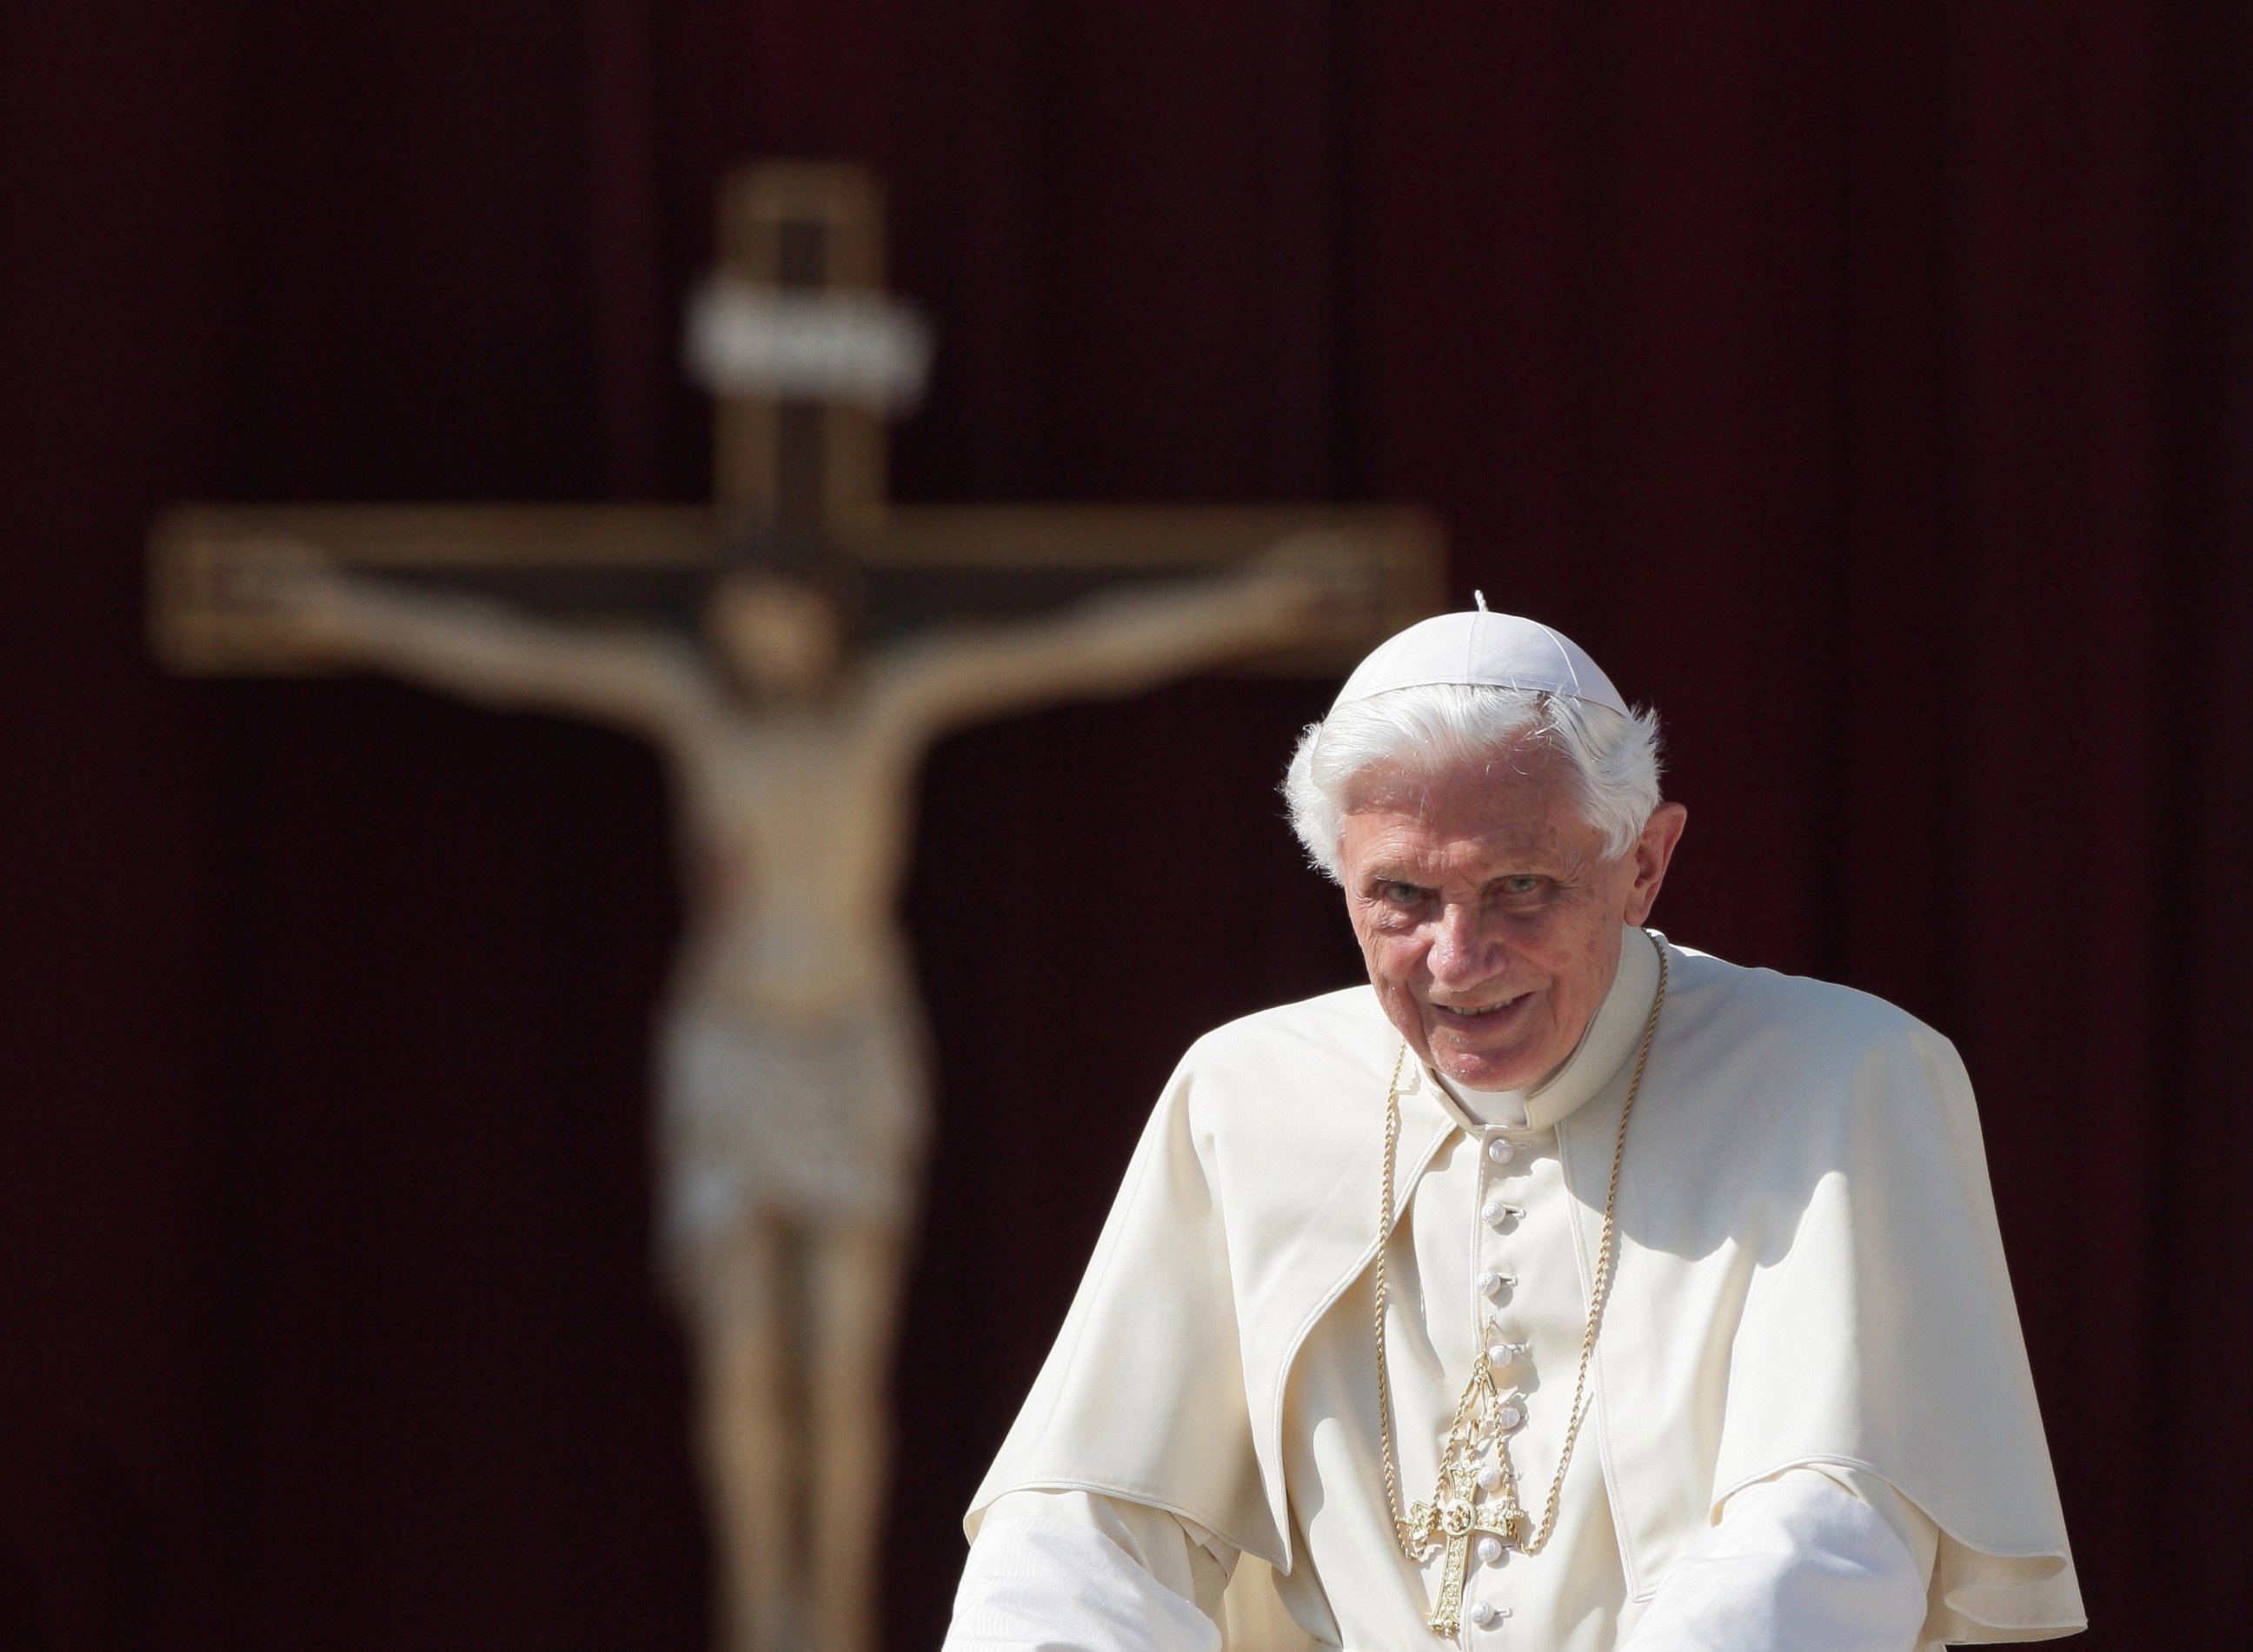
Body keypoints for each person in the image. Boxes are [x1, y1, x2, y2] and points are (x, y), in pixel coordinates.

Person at [223, 536, 1366, 1652]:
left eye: (778, 606)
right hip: (730, 1053)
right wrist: (339, 608)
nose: (757, 632)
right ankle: (760, 1617)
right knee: (742, 1360)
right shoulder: (691, 705)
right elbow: (508, 658)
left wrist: (1249, 604)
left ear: (824, 612)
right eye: (740, 612)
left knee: (839, 1365)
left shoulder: (887, 704)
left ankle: (837, 1618)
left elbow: (1084, 650)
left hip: (847, 1052)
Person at [944, 604, 2084, 1652]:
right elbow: (1084, 1526)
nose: (1456, 958)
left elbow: (1831, 1533)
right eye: (1400, 895)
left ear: (1642, 863)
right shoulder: (1243, 1093)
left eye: (1520, 887)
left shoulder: (1842, 1075)